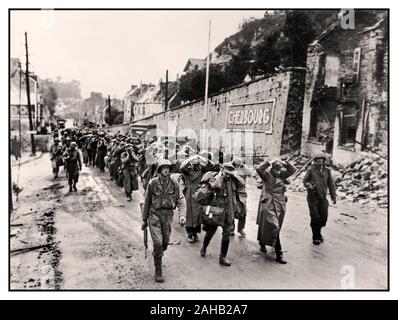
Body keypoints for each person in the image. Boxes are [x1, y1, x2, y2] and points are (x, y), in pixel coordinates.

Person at [141, 159, 186, 283]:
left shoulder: (174, 183)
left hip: (168, 216)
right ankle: (158, 271)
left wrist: (182, 216)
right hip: (154, 214)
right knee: (158, 243)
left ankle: (157, 253)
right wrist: (144, 219)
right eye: (163, 168)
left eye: (168, 168)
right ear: (159, 170)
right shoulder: (152, 183)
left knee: (164, 243)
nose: (166, 170)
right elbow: (147, 202)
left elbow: (181, 200)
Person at [195, 162, 245, 267]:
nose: (228, 175)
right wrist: (220, 175)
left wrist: (234, 174)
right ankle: (204, 247)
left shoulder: (233, 179)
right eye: (226, 172)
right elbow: (215, 185)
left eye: (230, 173)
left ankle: (223, 257)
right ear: (222, 170)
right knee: (210, 232)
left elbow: (242, 183)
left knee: (226, 234)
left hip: (228, 211)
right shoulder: (215, 178)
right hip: (216, 210)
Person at [255, 158, 296, 264]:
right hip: (269, 202)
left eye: (279, 169)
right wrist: (269, 161)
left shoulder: (282, 175)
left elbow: (292, 170)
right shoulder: (266, 175)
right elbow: (259, 169)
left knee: (276, 226)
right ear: (272, 168)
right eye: (276, 169)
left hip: (280, 203)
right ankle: (279, 253)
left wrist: (285, 163)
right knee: (274, 226)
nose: (278, 171)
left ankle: (263, 241)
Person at [303, 151, 336, 245]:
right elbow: (305, 181)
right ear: (315, 161)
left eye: (321, 160)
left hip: (323, 198)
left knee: (323, 218)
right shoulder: (311, 169)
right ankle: (316, 236)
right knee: (315, 218)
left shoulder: (327, 171)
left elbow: (331, 184)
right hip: (313, 197)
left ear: (324, 161)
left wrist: (333, 197)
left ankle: (319, 231)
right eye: (317, 160)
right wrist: (309, 185)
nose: (319, 161)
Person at [180, 156, 209, 243]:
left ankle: (195, 233)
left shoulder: (202, 171)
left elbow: (211, 167)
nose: (197, 166)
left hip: (198, 194)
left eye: (198, 164)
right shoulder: (187, 171)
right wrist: (190, 159)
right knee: (189, 215)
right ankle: (189, 233)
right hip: (189, 194)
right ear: (192, 165)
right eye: (195, 164)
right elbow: (182, 167)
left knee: (197, 215)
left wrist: (204, 158)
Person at [230, 156, 251, 237]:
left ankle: (241, 229)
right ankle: (231, 229)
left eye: (240, 165)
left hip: (242, 192)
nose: (238, 166)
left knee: (243, 211)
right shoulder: (230, 168)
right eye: (237, 164)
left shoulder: (244, 169)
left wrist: (243, 166)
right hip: (232, 192)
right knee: (231, 210)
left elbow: (249, 173)